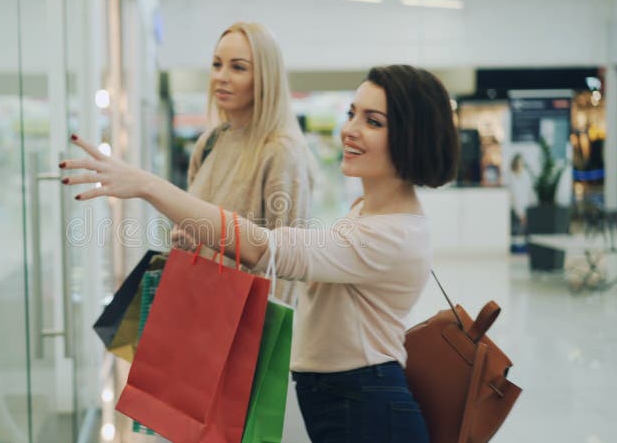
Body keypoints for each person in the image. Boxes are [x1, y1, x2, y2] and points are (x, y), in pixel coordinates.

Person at [60, 64, 459, 442]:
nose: (350, 130)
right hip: (345, 397)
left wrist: (149, 186)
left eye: (373, 122)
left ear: (412, 135)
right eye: (352, 114)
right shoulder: (369, 211)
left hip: (365, 404)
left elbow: (261, 248)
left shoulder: (391, 233)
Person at [172, 21, 313, 305]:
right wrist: (189, 240)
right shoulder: (210, 143)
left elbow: (286, 267)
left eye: (238, 67)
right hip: (197, 309)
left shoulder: (280, 152)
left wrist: (268, 342)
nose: (221, 77)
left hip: (244, 323)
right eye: (216, 64)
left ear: (265, 77)